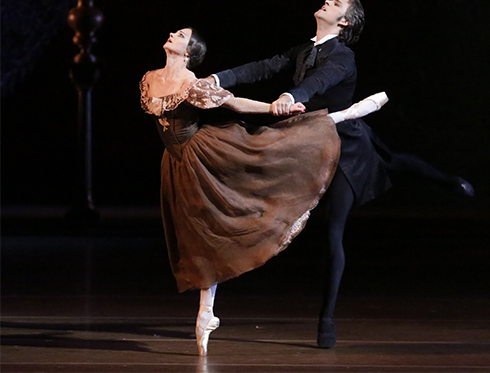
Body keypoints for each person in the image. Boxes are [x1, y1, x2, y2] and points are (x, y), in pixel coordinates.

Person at [208, 0, 474, 348]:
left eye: (336, 4)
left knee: (349, 213)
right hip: (308, 143)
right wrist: (219, 79)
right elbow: (265, 66)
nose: (327, 3)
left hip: (344, 149)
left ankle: (327, 317)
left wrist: (292, 96)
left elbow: (319, 81)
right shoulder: (305, 49)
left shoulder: (343, 57)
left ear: (345, 21)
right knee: (383, 167)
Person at [140, 26, 388, 355]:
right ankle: (207, 313)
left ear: (189, 52)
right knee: (195, 232)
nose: (172, 34)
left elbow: (236, 105)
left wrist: (271, 108)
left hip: (203, 152)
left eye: (181, 35)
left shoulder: (192, 84)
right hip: (174, 161)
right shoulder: (149, 79)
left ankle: (344, 115)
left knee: (269, 152)